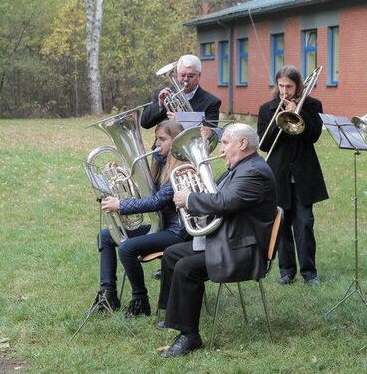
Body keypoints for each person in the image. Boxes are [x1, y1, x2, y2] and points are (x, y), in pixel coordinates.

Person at [156, 123, 277, 358]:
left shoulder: (254, 171)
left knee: (186, 267)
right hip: (228, 240)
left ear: (242, 144)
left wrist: (190, 198)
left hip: (242, 251)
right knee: (172, 253)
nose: (220, 150)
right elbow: (217, 195)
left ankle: (189, 335)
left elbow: (225, 202)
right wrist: (196, 189)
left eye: (224, 143)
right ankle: (171, 314)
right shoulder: (241, 167)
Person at [94, 120, 190, 318]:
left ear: (176, 140)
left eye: (162, 139)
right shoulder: (160, 164)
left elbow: (156, 202)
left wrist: (120, 206)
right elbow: (143, 195)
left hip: (176, 232)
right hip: (162, 226)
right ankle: (108, 295)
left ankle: (140, 300)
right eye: (156, 139)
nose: (156, 144)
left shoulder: (182, 169)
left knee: (127, 248)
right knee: (105, 235)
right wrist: (122, 174)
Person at [257, 66, 328, 286]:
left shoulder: (313, 105)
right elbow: (264, 144)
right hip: (279, 174)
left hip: (304, 174)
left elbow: (314, 135)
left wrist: (299, 112)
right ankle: (286, 271)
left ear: (298, 85)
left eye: (289, 86)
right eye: (281, 86)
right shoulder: (267, 108)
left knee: (305, 223)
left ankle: (310, 273)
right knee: (282, 224)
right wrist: (280, 117)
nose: (285, 90)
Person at [141, 54, 222, 129]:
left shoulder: (212, 102)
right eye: (182, 75)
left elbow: (210, 135)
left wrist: (183, 121)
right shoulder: (162, 94)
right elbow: (145, 124)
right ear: (176, 74)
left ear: (199, 75)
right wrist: (160, 105)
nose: (186, 79)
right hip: (163, 144)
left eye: (191, 76)